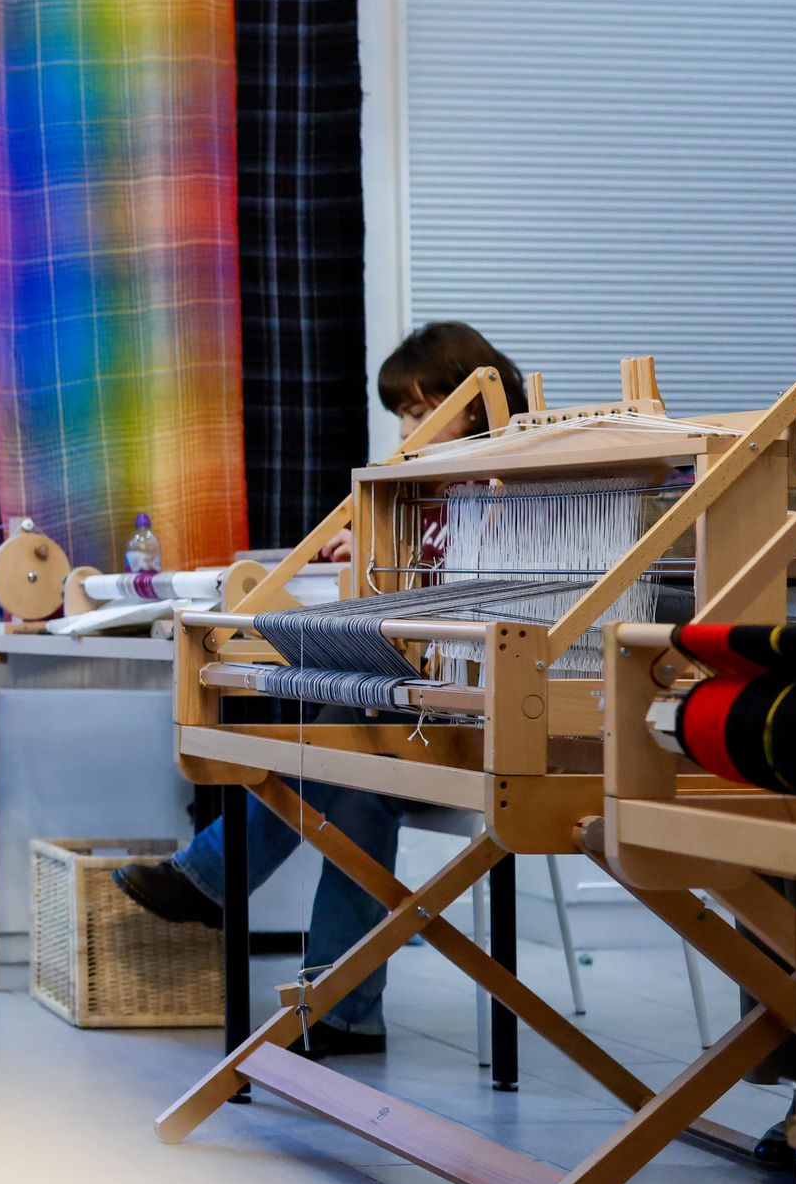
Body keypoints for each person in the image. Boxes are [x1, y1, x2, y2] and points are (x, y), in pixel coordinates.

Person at [114, 322, 529, 1053]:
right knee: (358, 782)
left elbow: (482, 605)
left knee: (344, 731)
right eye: (402, 411)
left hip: (492, 719)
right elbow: (402, 608)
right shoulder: (414, 495)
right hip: (423, 717)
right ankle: (340, 1013)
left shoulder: (517, 491)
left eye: (423, 406)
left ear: (476, 401)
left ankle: (212, 880)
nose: (408, 425)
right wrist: (365, 549)